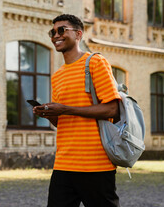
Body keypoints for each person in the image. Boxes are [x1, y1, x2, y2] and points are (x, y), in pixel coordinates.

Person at [33, 14, 121, 207]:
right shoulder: (57, 76)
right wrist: (50, 115)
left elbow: (113, 109)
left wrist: (66, 108)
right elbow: (63, 121)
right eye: (53, 32)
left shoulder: (96, 63)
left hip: (96, 164)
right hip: (64, 163)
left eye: (62, 30)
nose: (56, 35)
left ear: (78, 34)